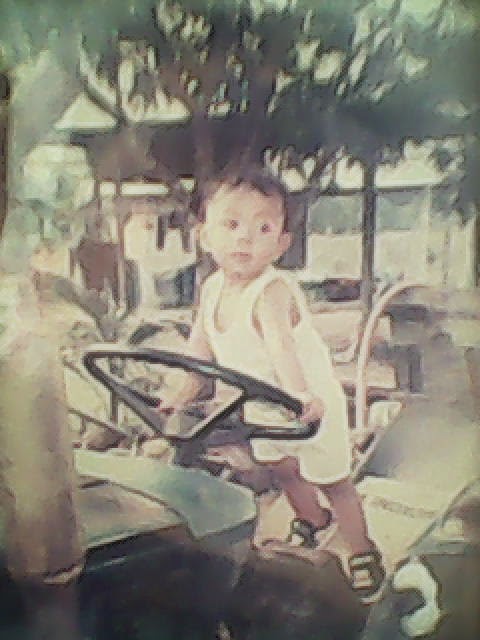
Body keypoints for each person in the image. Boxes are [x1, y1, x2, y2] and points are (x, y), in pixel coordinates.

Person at [157, 168, 384, 600]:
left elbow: (281, 346)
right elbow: (199, 352)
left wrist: (300, 396)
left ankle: (361, 550)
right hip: (260, 401)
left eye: (263, 229)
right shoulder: (211, 288)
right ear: (204, 236)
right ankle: (313, 521)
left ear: (281, 244)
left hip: (307, 400)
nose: (245, 238)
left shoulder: (272, 291)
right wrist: (181, 394)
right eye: (232, 224)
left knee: (332, 480)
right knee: (282, 470)